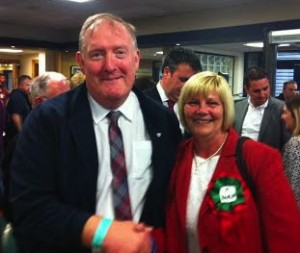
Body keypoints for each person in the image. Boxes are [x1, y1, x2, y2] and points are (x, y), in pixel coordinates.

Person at [10, 13, 182, 253]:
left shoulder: (162, 121)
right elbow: (27, 207)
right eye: (97, 54)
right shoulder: (47, 121)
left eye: (120, 53)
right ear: (81, 61)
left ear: (135, 58)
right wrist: (102, 232)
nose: (110, 66)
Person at [153, 71, 300, 253]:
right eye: (193, 102)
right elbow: (168, 226)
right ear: (183, 108)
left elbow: (286, 237)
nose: (202, 110)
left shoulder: (259, 158)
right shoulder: (177, 155)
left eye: (212, 103)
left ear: (226, 109)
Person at [234, 67, 290, 151]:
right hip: (240, 160)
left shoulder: (282, 108)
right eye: (256, 91)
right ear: (247, 89)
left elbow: (287, 144)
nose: (262, 94)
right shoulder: (238, 107)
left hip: (269, 161)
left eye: (265, 89)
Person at [281, 94, 300, 206]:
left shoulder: (295, 145)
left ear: (296, 115)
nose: (282, 117)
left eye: (285, 112)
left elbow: (290, 186)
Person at [5, 74, 32, 144]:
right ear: (20, 85)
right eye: (27, 85)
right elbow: (16, 116)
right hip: (15, 134)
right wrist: (21, 134)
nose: (29, 87)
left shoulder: (23, 96)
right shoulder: (17, 97)